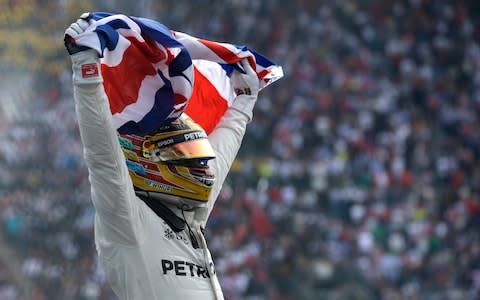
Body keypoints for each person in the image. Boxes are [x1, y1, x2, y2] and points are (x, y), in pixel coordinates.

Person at [64, 13, 260, 300]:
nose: (201, 167)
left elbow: (217, 163)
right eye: (187, 156)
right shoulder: (127, 221)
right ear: (149, 161)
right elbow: (103, 156)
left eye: (197, 156)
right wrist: (86, 72)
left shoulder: (188, 219)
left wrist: (244, 101)